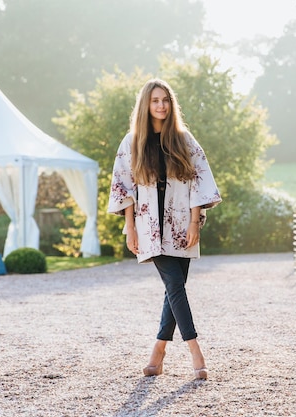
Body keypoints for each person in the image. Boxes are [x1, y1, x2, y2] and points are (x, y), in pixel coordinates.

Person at [108, 78, 221, 380]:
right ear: (146, 104)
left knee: (175, 289)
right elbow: (124, 187)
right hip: (149, 224)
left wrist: (196, 223)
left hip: (183, 223)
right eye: (155, 100)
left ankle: (157, 354)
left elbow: (200, 179)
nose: (161, 105)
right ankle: (196, 351)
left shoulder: (183, 139)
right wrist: (129, 227)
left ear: (171, 105)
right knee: (174, 285)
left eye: (165, 100)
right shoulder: (132, 142)